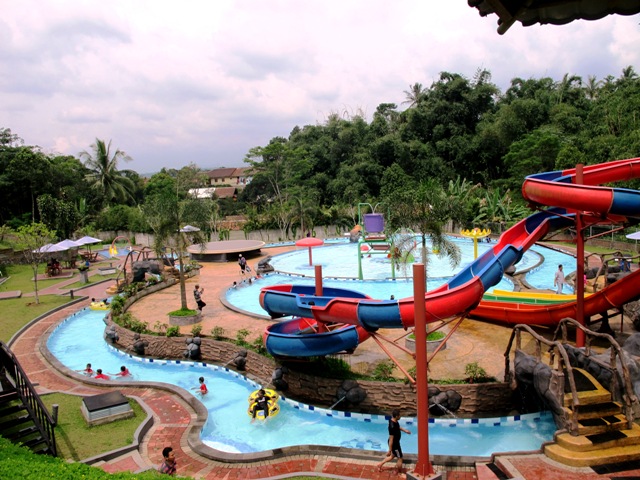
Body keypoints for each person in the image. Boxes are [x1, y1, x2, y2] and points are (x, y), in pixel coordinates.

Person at [377, 409, 411, 474]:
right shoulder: (392, 427)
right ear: (396, 416)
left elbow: (398, 427)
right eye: (399, 415)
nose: (400, 416)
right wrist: (389, 450)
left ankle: (380, 464)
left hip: (395, 443)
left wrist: (405, 430)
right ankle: (400, 472)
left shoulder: (394, 420)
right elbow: (391, 439)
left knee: (392, 456)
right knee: (400, 458)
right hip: (395, 445)